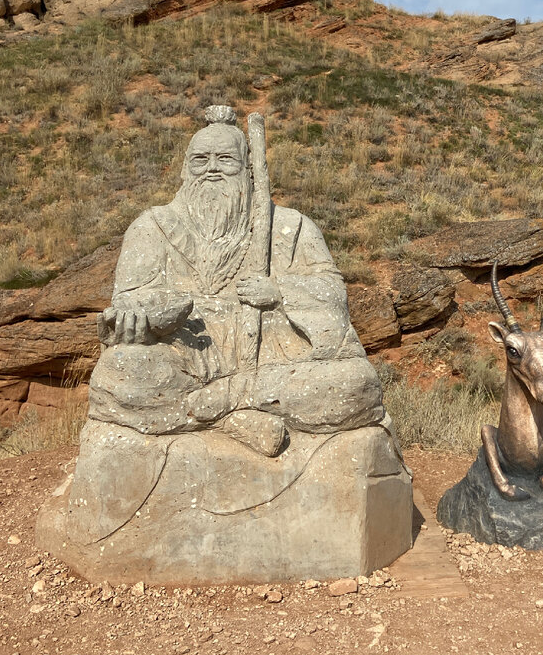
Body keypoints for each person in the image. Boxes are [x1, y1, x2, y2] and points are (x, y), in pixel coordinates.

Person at [90, 105, 383, 455]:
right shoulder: (151, 227)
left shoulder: (292, 227)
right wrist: (134, 322)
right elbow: (128, 299)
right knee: (120, 370)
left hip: (272, 358)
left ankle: (212, 405)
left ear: (248, 170)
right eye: (201, 160)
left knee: (355, 383)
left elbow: (333, 293)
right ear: (184, 169)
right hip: (187, 354)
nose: (212, 169)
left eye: (225, 159)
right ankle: (236, 417)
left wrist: (279, 292)